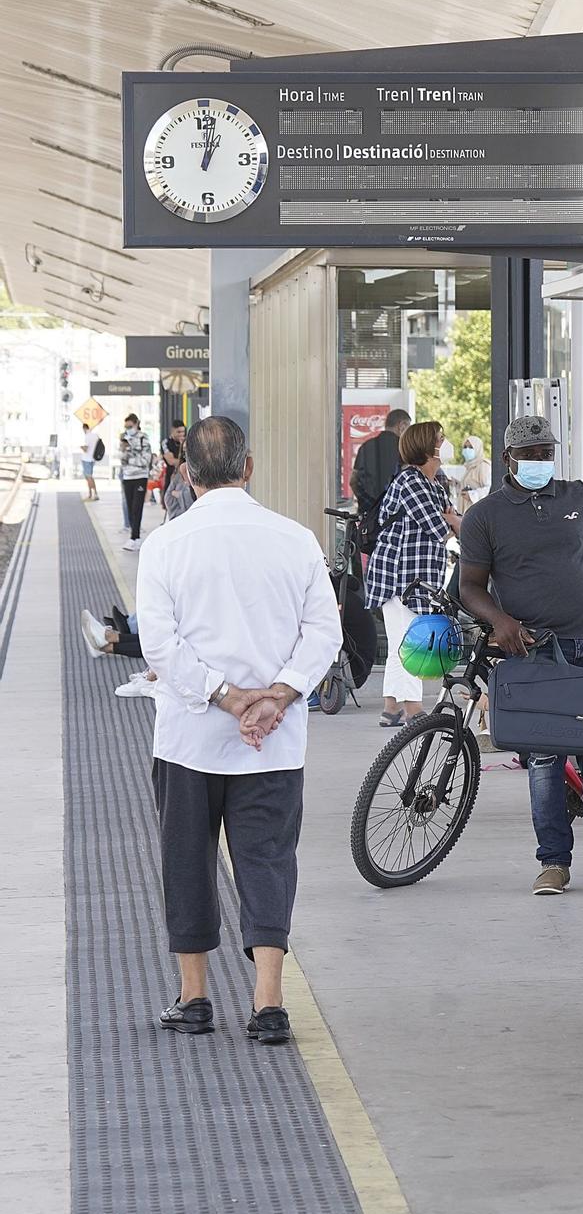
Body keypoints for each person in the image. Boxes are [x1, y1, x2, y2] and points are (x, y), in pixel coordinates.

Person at [135, 416, 341, 1044]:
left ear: (187, 474)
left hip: (190, 739)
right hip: (274, 742)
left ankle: (194, 998)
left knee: (187, 860)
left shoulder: (166, 545)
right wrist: (276, 697)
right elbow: (323, 634)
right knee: (269, 861)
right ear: (248, 468)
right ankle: (269, 1003)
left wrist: (226, 699)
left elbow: (159, 645)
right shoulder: (296, 539)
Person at [458, 413, 583, 897]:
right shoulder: (485, 516)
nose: (541, 462)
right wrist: (500, 621)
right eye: (530, 455)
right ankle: (553, 864)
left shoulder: (577, 496)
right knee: (543, 758)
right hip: (537, 652)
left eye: (546, 454)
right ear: (508, 459)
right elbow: (469, 587)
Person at [363, 421, 452, 727]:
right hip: (400, 577)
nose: (446, 444)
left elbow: (450, 517)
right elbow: (440, 526)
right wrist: (451, 519)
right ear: (428, 448)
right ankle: (413, 709)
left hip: (415, 576)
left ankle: (390, 708)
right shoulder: (411, 481)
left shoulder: (433, 483)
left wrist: (452, 518)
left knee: (401, 642)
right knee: (410, 644)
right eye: (441, 439)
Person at [351, 408, 411, 548]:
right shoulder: (405, 450)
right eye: (407, 427)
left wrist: (369, 504)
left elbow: (354, 480)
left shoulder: (366, 446)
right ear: (401, 425)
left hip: (369, 520)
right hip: (396, 520)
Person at [119, 412, 153, 552]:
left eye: (130, 426)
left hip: (140, 477)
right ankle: (134, 537)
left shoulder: (143, 438)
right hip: (127, 477)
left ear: (136, 424)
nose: (128, 429)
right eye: (126, 426)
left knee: (136, 507)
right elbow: (122, 459)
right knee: (129, 506)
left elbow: (146, 460)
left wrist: (130, 458)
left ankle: (135, 537)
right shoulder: (124, 438)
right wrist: (125, 452)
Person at [457, 435, 491, 511]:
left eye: (471, 447)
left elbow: (488, 488)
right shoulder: (469, 466)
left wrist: (472, 495)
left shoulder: (483, 465)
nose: (467, 450)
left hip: (477, 511)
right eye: (465, 447)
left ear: (477, 449)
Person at [80, 422, 100, 500]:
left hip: (86, 459)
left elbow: (86, 449)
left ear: (84, 428)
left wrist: (81, 447)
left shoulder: (87, 436)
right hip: (93, 458)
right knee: (89, 477)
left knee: (89, 477)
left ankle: (94, 494)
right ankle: (91, 494)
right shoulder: (95, 436)